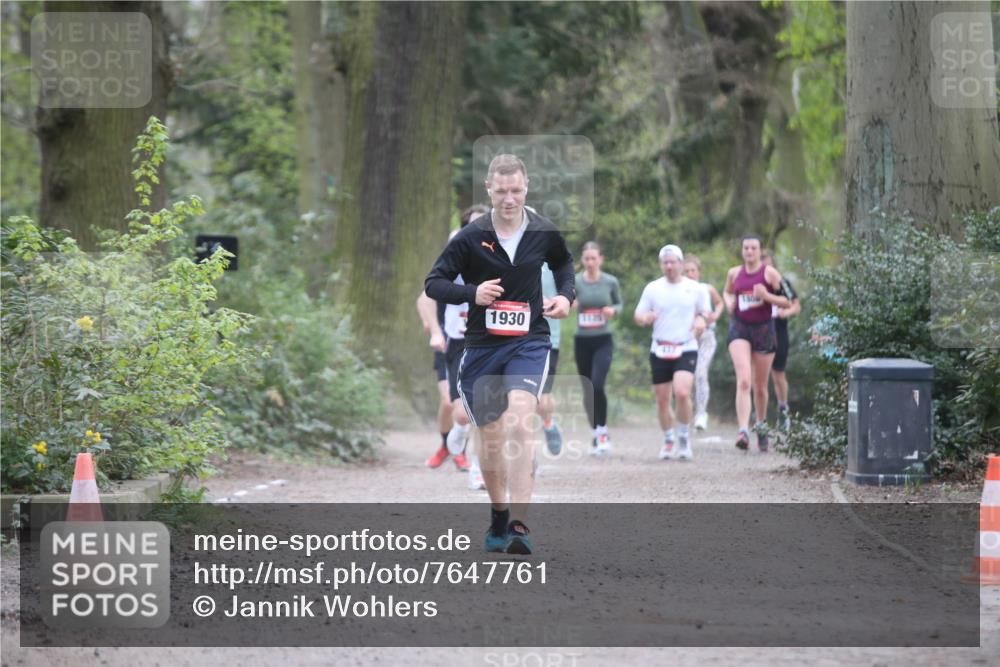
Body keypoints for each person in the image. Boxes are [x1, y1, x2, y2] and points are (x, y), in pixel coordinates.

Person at [425, 154, 574, 555]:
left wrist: (565, 296)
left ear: (527, 189)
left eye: (517, 190)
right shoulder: (470, 237)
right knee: (490, 437)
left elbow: (563, 264)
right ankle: (498, 514)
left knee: (522, 421)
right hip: (481, 348)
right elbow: (434, 284)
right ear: (489, 189)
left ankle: (520, 528)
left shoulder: (543, 231)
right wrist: (471, 293)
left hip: (529, 342)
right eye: (502, 191)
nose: (510, 198)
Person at [634, 245, 709, 461]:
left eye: (672, 261)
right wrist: (645, 318)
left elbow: (705, 312)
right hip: (660, 348)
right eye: (664, 262)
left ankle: (684, 436)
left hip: (686, 346)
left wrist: (701, 320)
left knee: (683, 392)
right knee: (662, 400)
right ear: (661, 265)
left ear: (681, 263)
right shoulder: (653, 288)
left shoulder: (695, 288)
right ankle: (668, 439)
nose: (668, 266)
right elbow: (638, 315)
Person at [723, 236, 790, 452]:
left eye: (753, 248)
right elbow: (727, 291)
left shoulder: (770, 273)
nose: (749, 251)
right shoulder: (734, 273)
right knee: (744, 380)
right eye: (746, 248)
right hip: (740, 327)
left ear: (759, 251)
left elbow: (787, 300)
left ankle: (760, 425)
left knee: (760, 387)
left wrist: (766, 295)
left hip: (764, 329)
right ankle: (743, 429)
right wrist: (728, 302)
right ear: (742, 251)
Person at [572, 241, 622, 456]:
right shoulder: (575, 282)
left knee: (598, 384)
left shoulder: (610, 282)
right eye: (586, 259)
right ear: (582, 261)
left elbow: (619, 304)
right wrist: (570, 303)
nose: (590, 262)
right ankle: (595, 430)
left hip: (603, 339)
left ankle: (602, 431)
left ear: (601, 259)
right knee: (588, 388)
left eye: (594, 258)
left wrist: (613, 310)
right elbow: (567, 301)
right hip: (582, 340)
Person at [415, 292, 468, 471]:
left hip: (475, 344)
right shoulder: (450, 268)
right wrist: (429, 323)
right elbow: (423, 299)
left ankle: (460, 452)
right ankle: (446, 446)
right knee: (447, 403)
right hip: (447, 345)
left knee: (465, 405)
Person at [683, 255, 724, 432]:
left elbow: (720, 302)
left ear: (699, 272)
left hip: (707, 338)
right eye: (687, 271)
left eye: (693, 270)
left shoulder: (707, 289)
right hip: (687, 338)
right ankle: (689, 414)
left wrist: (716, 314)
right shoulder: (680, 291)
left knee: (700, 373)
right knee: (687, 378)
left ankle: (701, 413)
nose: (690, 274)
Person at [761, 250, 801, 431]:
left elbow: (796, 305)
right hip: (759, 331)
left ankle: (783, 408)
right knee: (758, 376)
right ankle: (758, 412)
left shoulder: (783, 284)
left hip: (778, 330)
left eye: (768, 264)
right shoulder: (754, 285)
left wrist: (787, 311)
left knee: (778, 374)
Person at [537, 262, 564, 456]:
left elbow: (569, 299)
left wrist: (555, 302)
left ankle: (548, 423)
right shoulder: (508, 256)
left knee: (542, 400)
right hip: (513, 338)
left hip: (548, 339)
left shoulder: (555, 264)